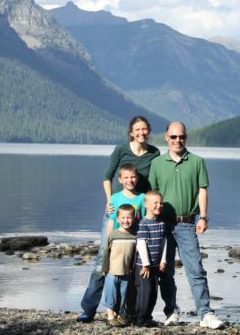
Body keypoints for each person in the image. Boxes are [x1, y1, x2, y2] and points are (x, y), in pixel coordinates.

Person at [77, 116, 160, 323]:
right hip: (116, 213)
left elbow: (153, 186)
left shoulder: (154, 153)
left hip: (138, 215)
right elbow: (107, 176)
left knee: (131, 264)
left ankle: (126, 310)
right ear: (131, 132)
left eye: (144, 129)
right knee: (102, 260)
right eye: (137, 129)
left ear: (148, 131)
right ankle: (88, 309)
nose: (141, 132)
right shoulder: (121, 150)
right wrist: (109, 202)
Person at [148, 121, 224, 330]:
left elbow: (202, 191)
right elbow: (153, 195)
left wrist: (204, 217)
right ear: (166, 137)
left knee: (196, 270)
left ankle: (205, 313)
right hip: (163, 225)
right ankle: (171, 311)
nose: (177, 141)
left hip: (188, 224)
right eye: (173, 137)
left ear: (186, 138)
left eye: (181, 137)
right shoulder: (157, 163)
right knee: (165, 271)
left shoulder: (197, 161)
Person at [134, 191, 168, 327]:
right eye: (155, 203)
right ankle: (139, 319)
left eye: (161, 203)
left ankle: (148, 317)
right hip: (143, 266)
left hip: (155, 265)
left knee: (154, 293)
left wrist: (163, 260)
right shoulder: (143, 224)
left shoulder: (161, 223)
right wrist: (146, 264)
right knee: (144, 293)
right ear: (146, 204)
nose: (159, 205)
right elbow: (141, 244)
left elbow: (164, 241)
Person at [102, 204, 137, 327]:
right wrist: (104, 269)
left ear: (134, 218)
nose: (126, 220)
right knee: (110, 294)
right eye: (123, 217)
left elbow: (134, 256)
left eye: (129, 218)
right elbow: (106, 252)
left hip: (126, 272)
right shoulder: (113, 235)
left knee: (123, 295)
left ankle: (119, 315)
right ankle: (110, 316)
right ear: (117, 219)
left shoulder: (134, 236)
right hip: (112, 271)